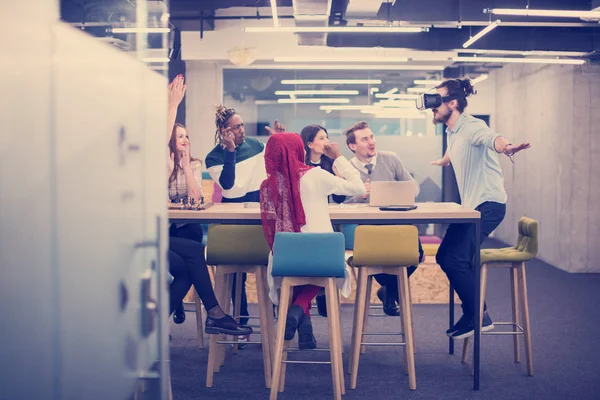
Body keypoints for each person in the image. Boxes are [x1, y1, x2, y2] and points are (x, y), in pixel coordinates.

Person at [429, 78, 530, 340]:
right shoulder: (452, 131)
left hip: (488, 205)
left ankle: (478, 315)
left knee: (455, 259)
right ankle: (475, 313)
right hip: (471, 208)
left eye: (437, 100)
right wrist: (445, 160)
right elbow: (457, 147)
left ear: (453, 103)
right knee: (443, 257)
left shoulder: (473, 126)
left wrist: (507, 147)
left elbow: (491, 139)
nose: (432, 106)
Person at [260, 133, 366, 349]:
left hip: (285, 258)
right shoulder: (315, 175)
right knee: (317, 267)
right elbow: (359, 189)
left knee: (297, 268)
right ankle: (298, 309)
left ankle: (303, 326)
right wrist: (338, 158)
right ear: (300, 150)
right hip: (322, 258)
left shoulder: (267, 185)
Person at [166, 75, 250, 336]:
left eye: (187, 136)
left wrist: (185, 164)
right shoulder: (161, 162)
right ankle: (214, 313)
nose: (185, 139)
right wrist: (172, 105)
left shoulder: (192, 162)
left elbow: (195, 198)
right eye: (179, 136)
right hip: (153, 232)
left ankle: (154, 325)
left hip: (177, 229)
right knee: (193, 254)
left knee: (189, 267)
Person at [205, 107, 285, 328]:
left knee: (272, 265)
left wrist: (278, 141)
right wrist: (230, 152)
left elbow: (276, 167)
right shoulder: (213, 157)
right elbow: (228, 186)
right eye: (236, 127)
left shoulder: (257, 146)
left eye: (242, 125)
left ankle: (277, 317)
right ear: (224, 131)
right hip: (234, 221)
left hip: (261, 216)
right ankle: (241, 318)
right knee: (236, 275)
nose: (242, 130)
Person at [344, 121, 424, 316]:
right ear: (353, 146)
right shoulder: (346, 169)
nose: (371, 142)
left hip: (395, 224)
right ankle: (390, 292)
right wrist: (360, 195)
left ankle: (388, 291)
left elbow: (414, 187)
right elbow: (340, 204)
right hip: (367, 230)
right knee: (375, 259)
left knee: (416, 255)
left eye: (371, 137)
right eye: (365, 139)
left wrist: (403, 191)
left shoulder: (391, 159)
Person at [300, 124, 345, 318]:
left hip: (323, 218)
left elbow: (339, 198)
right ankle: (316, 290)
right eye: (321, 138)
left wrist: (340, 175)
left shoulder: (329, 163)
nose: (326, 142)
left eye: (327, 137)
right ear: (310, 143)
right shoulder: (299, 164)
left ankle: (322, 290)